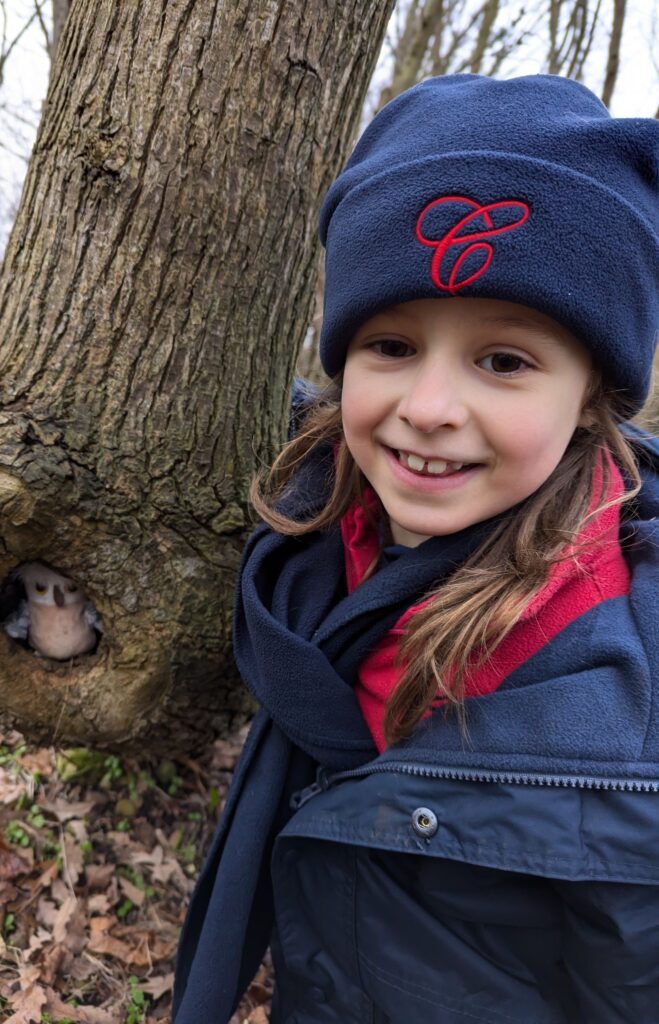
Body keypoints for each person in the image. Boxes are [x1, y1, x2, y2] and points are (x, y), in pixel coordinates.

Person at [172, 74, 659, 1023]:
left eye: (504, 361)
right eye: (390, 345)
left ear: (590, 399)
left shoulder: (624, 681)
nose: (429, 409)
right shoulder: (312, 548)